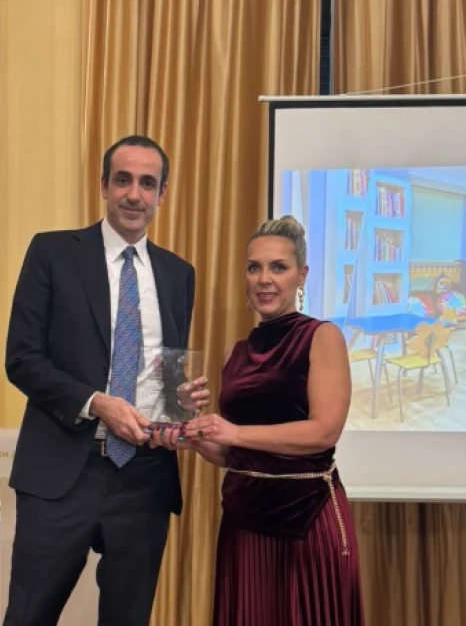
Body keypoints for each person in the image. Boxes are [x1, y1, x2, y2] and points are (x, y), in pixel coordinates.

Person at [3, 134, 210, 626]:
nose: (134, 195)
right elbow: (22, 359)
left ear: (162, 193)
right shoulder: (53, 252)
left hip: (145, 479)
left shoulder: (178, 274)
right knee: (28, 617)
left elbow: (162, 372)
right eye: (123, 180)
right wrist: (97, 403)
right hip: (60, 474)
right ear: (103, 185)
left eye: (147, 183)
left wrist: (178, 403)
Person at [179, 215, 364, 625]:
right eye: (254, 267)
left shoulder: (321, 336)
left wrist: (234, 432)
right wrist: (193, 434)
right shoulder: (235, 353)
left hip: (307, 520)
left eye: (278, 267)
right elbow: (236, 454)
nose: (264, 279)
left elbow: (324, 431)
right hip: (244, 523)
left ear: (302, 275)